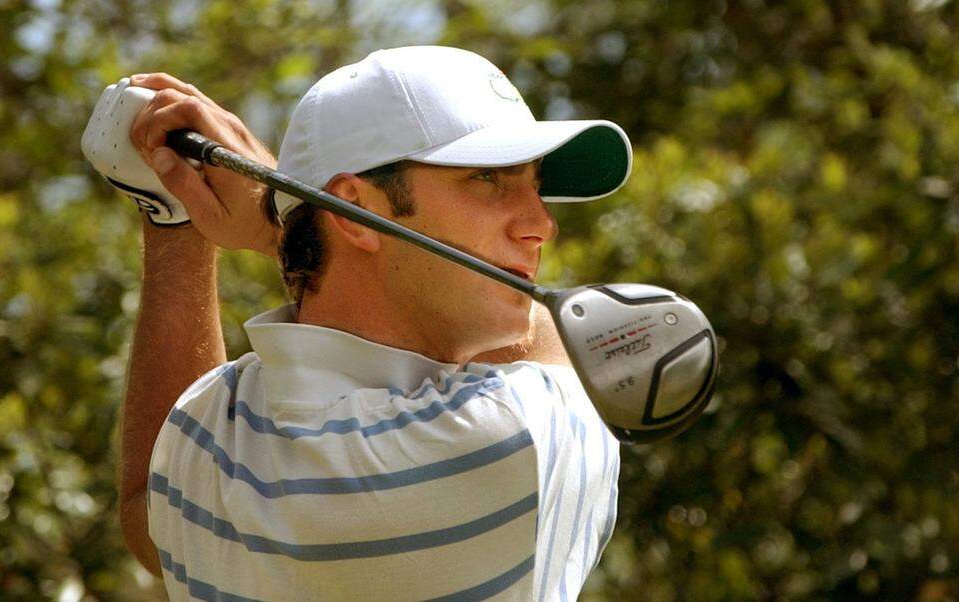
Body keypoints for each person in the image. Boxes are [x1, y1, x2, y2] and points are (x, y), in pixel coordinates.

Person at [116, 46, 633, 600]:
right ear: (352, 211)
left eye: (534, 185)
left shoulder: (215, 438)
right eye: (488, 179)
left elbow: (148, 505)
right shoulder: (506, 440)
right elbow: (574, 342)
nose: (541, 225)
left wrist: (178, 220)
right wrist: (277, 212)